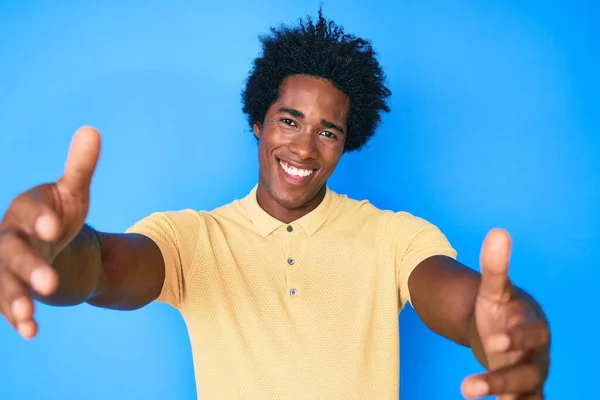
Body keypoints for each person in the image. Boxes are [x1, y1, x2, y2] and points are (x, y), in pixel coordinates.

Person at [0, 10, 550, 400]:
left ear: (345, 145)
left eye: (328, 131)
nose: (305, 148)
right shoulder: (194, 238)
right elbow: (103, 267)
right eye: (289, 120)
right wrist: (54, 250)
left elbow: (461, 302)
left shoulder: (392, 237)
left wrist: (506, 327)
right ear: (258, 122)